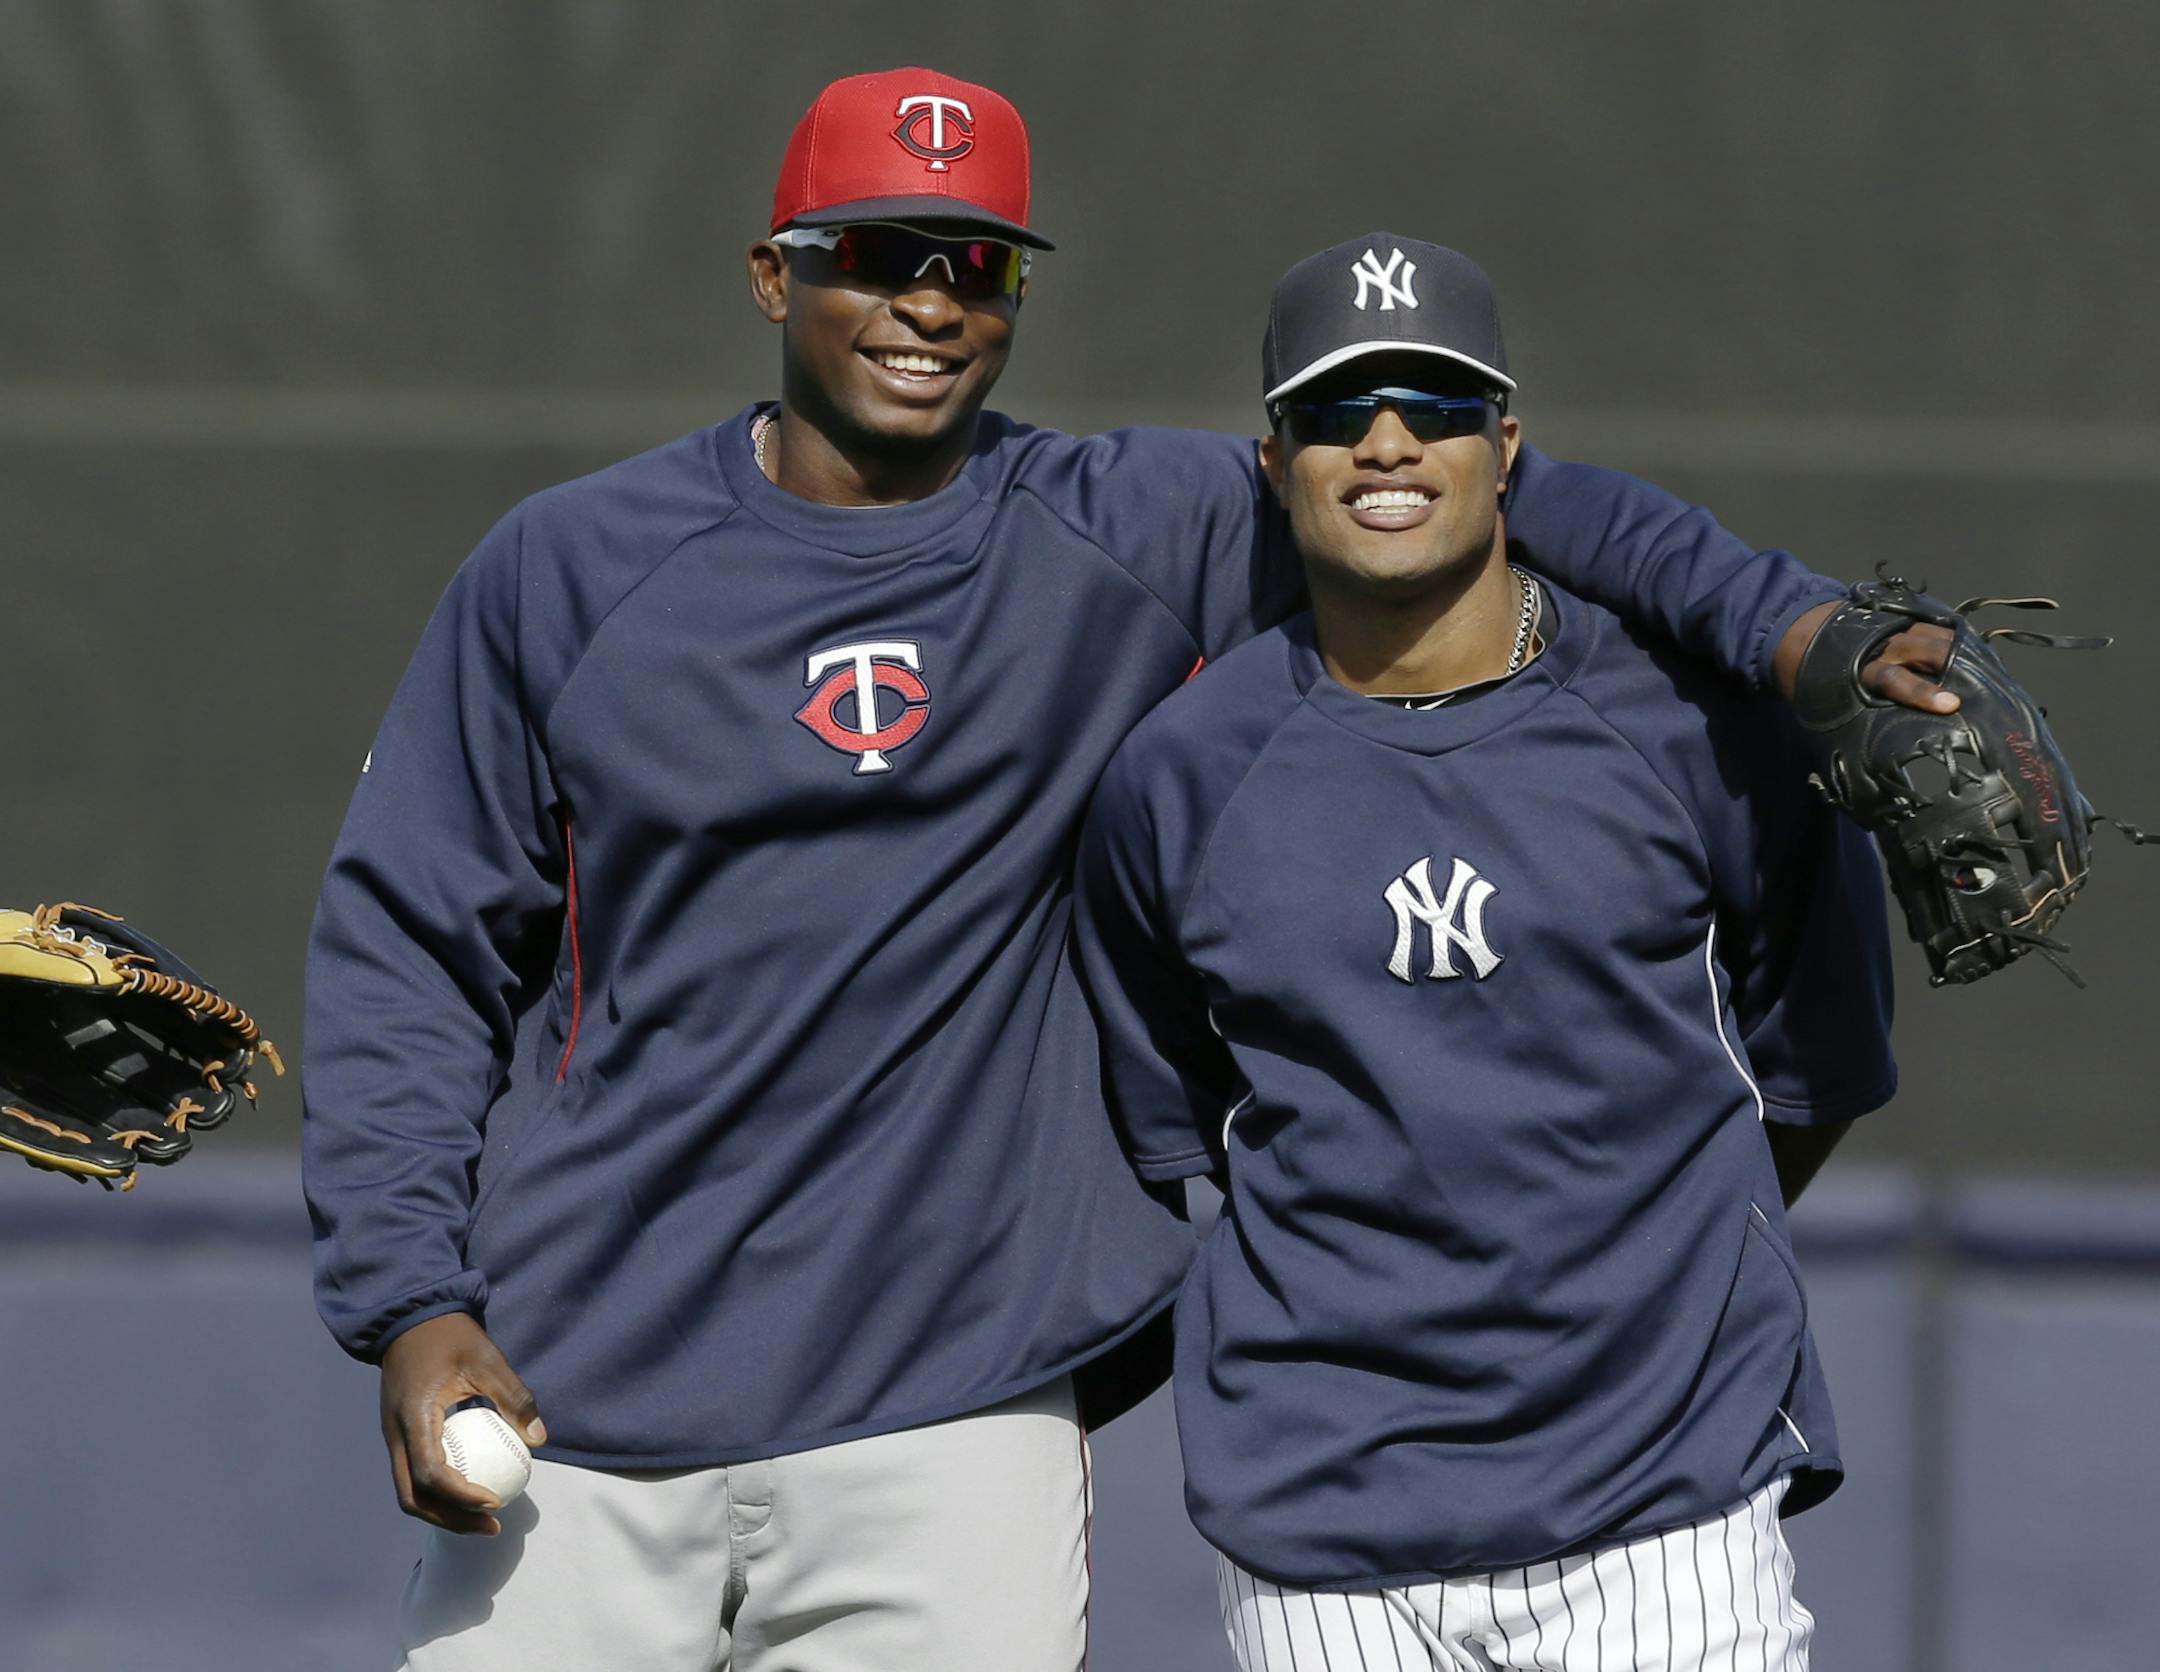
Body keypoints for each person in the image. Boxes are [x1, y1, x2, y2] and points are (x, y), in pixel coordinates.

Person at [303, 69, 1935, 1672]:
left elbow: (1455, 491)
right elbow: (411, 947)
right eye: (876, 251)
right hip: (578, 1393)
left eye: (975, 263)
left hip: (955, 1420)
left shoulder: (1128, 532)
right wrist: (405, 1295)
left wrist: (1793, 631)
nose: (927, 302)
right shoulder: (571, 568)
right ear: (772, 272)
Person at [1071, 236, 1898, 1671]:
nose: (1387, 442)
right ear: (1274, 462)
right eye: (1336, 410)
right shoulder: (1183, 775)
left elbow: (1806, 1069)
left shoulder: (1696, 733)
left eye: (1436, 403)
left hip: (1665, 1508)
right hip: (1323, 1534)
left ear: (1506, 445)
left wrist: (1655, 1269)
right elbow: (1188, 1115)